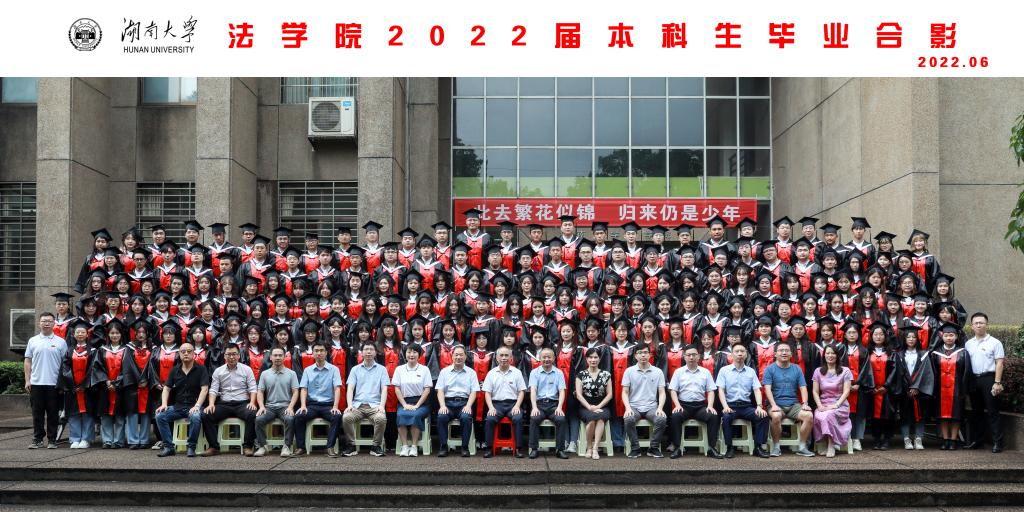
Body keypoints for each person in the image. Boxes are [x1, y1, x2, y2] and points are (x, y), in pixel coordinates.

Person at [199, 344, 258, 456]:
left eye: (234, 354)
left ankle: (247, 446)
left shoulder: (247, 369)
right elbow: (213, 390)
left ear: (239, 355)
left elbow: (253, 388)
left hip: (242, 403)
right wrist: (211, 404)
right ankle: (214, 447)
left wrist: (252, 402)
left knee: (252, 414)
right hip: (224, 404)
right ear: (224, 356)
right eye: (229, 354)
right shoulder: (218, 371)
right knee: (206, 414)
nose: (231, 357)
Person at [667, 344, 724, 459]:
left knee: (713, 416)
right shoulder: (679, 372)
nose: (691, 357)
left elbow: (711, 391)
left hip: (700, 406)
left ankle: (711, 448)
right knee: (675, 416)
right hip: (683, 406)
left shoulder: (705, 372)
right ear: (684, 357)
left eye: (694, 355)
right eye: (689, 355)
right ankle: (677, 448)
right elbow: (673, 390)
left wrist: (710, 406)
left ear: (698, 356)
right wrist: (677, 405)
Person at [154, 343, 210, 457]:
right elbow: (166, 388)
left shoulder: (201, 369)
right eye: (183, 351)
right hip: (178, 407)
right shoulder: (175, 370)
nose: (186, 354)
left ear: (193, 353)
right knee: (160, 416)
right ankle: (169, 447)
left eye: (189, 351)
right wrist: (164, 404)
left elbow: (204, 389)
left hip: (195, 406)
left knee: (195, 416)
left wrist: (197, 406)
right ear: (179, 354)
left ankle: (191, 447)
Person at [716, 343, 770, 458]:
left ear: (746, 354)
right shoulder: (724, 370)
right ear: (731, 354)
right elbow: (721, 390)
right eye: (737, 351)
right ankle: (729, 448)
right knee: (726, 417)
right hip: (731, 406)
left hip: (746, 407)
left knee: (763, 416)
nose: (740, 354)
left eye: (742, 351)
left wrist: (759, 406)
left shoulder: (751, 371)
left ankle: (758, 447)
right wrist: (725, 407)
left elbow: (757, 389)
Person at [762, 343, 816, 457]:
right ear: (775, 354)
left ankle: (802, 447)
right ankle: (776, 447)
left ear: (791, 354)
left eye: (787, 350)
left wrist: (805, 403)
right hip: (776, 404)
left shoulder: (797, 369)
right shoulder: (770, 369)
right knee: (776, 416)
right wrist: (773, 405)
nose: (784, 353)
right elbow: (767, 389)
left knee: (809, 416)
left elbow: (803, 387)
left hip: (793, 405)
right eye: (781, 350)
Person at [24, 313, 67, 449]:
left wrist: (63, 383)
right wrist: (27, 380)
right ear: (39, 323)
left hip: (54, 384)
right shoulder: (33, 341)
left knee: (53, 413)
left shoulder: (61, 342)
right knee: (37, 413)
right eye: (44, 321)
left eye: (49, 321)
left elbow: (65, 364)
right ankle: (38, 439)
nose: (46, 323)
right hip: (36, 383)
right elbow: (28, 361)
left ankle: (52, 439)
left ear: (54, 323)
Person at [963, 312, 1005, 453]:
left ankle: (997, 443)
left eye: (981, 323)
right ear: (972, 326)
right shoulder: (968, 344)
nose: (979, 325)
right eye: (976, 323)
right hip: (974, 380)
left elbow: (999, 363)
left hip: (989, 379)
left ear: (987, 325)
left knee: (993, 411)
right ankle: (978, 441)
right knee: (976, 412)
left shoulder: (995, 342)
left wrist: (997, 382)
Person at [293, 342, 343, 457]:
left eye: (321, 351)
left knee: (337, 416)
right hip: (312, 405)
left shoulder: (334, 369)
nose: (319, 353)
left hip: (328, 405)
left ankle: (330, 447)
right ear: (313, 353)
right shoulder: (307, 370)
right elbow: (303, 389)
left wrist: (335, 406)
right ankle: (301, 447)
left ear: (326, 353)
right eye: (316, 351)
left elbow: (337, 389)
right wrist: (303, 405)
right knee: (299, 416)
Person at [342, 341, 391, 456]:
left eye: (371, 349)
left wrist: (381, 406)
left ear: (375, 352)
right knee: (346, 417)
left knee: (381, 418)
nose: (368, 352)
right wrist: (349, 405)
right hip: (357, 406)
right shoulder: (355, 369)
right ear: (361, 352)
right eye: (366, 349)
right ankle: (351, 446)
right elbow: (350, 388)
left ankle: (376, 446)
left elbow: (384, 389)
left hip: (375, 406)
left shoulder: (382, 369)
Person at [931, 322, 973, 450]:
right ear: (942, 336)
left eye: (951, 335)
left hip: (957, 390)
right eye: (946, 335)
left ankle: (953, 440)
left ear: (956, 337)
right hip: (940, 390)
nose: (949, 338)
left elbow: (967, 372)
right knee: (942, 416)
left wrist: (964, 390)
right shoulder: (935, 353)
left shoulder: (963, 352)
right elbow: (933, 373)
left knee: (956, 416)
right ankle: (945, 440)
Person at [621, 343, 667, 458]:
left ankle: (653, 448)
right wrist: (628, 408)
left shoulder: (658, 371)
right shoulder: (629, 371)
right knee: (629, 419)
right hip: (634, 406)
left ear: (650, 355)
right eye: (640, 353)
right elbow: (625, 392)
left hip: (651, 407)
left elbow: (662, 392)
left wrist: (660, 408)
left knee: (661, 419)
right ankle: (635, 448)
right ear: (635, 356)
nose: (643, 355)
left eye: (645, 352)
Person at [254, 347, 299, 457]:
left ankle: (286, 446)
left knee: (290, 419)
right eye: (275, 355)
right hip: (269, 407)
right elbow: (260, 391)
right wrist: (261, 406)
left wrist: (290, 407)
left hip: (285, 407)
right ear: (270, 357)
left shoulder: (292, 373)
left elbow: (295, 392)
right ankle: (262, 446)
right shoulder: (265, 374)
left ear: (284, 357)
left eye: (280, 355)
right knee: (259, 419)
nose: (277, 357)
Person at [482, 346, 527, 458]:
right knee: (490, 419)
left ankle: (518, 448)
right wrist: (491, 408)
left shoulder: (517, 372)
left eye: (506, 355)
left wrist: (517, 406)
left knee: (518, 418)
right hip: (496, 405)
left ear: (511, 358)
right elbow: (487, 393)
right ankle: (489, 448)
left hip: (513, 404)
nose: (504, 358)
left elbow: (521, 391)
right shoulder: (491, 373)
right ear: (497, 358)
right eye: (501, 355)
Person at [436, 344, 479, 457]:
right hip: (448, 403)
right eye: (456, 355)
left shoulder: (471, 372)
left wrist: (468, 406)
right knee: (441, 417)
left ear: (465, 357)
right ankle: (443, 446)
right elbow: (440, 390)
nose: (458, 357)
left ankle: (464, 447)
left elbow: (474, 391)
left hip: (464, 403)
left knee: (466, 417)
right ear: (452, 356)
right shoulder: (444, 372)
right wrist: (442, 406)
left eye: (461, 355)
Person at [60, 319, 96, 449]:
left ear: (87, 334)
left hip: (87, 389)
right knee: (73, 413)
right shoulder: (69, 351)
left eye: (83, 332)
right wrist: (73, 385)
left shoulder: (93, 350)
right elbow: (65, 369)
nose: (80, 334)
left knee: (87, 413)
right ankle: (74, 438)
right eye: (78, 332)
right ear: (74, 335)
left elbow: (94, 369)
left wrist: (84, 385)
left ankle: (86, 439)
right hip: (73, 388)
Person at [527, 347, 569, 459]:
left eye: (549, 357)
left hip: (553, 405)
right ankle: (534, 449)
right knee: (534, 418)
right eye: (544, 357)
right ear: (540, 358)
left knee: (561, 419)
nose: (546, 359)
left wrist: (559, 407)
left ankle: (560, 449)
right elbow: (533, 390)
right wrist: (534, 407)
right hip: (539, 404)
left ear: (554, 358)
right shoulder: (534, 372)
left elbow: (562, 391)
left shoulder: (559, 373)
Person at [811, 344, 853, 458]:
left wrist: (836, 405)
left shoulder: (845, 371)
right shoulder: (818, 371)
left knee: (829, 415)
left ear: (837, 355)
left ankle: (831, 444)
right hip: (823, 403)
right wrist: (819, 405)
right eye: (828, 353)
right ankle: (823, 442)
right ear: (824, 355)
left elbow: (847, 391)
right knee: (819, 415)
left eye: (833, 353)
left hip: (840, 404)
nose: (830, 355)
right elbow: (815, 391)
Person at [392, 343, 433, 457]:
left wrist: (417, 405)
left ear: (419, 355)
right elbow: (397, 389)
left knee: (415, 415)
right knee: (401, 415)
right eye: (409, 352)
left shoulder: (425, 369)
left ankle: (414, 446)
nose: (411, 354)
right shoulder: (399, 369)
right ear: (405, 354)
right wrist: (404, 404)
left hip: (421, 403)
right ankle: (405, 446)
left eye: (415, 352)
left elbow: (427, 390)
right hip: (404, 402)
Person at [575, 347, 612, 460]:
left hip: (602, 406)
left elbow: (610, 394)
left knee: (600, 418)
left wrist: (598, 406)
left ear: (599, 359)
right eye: (590, 357)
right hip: (585, 406)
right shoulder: (581, 374)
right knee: (591, 419)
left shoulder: (606, 374)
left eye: (596, 357)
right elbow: (578, 395)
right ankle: (589, 447)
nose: (593, 360)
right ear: (586, 359)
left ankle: (595, 448)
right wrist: (589, 407)